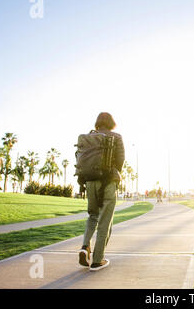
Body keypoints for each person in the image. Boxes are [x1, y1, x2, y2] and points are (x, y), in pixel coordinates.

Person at [78, 112, 125, 271]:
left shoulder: (88, 138)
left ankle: (85, 247)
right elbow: (120, 160)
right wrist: (113, 174)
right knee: (105, 220)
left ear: (97, 123)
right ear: (112, 122)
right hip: (108, 183)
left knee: (92, 216)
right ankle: (97, 260)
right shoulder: (116, 136)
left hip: (90, 182)